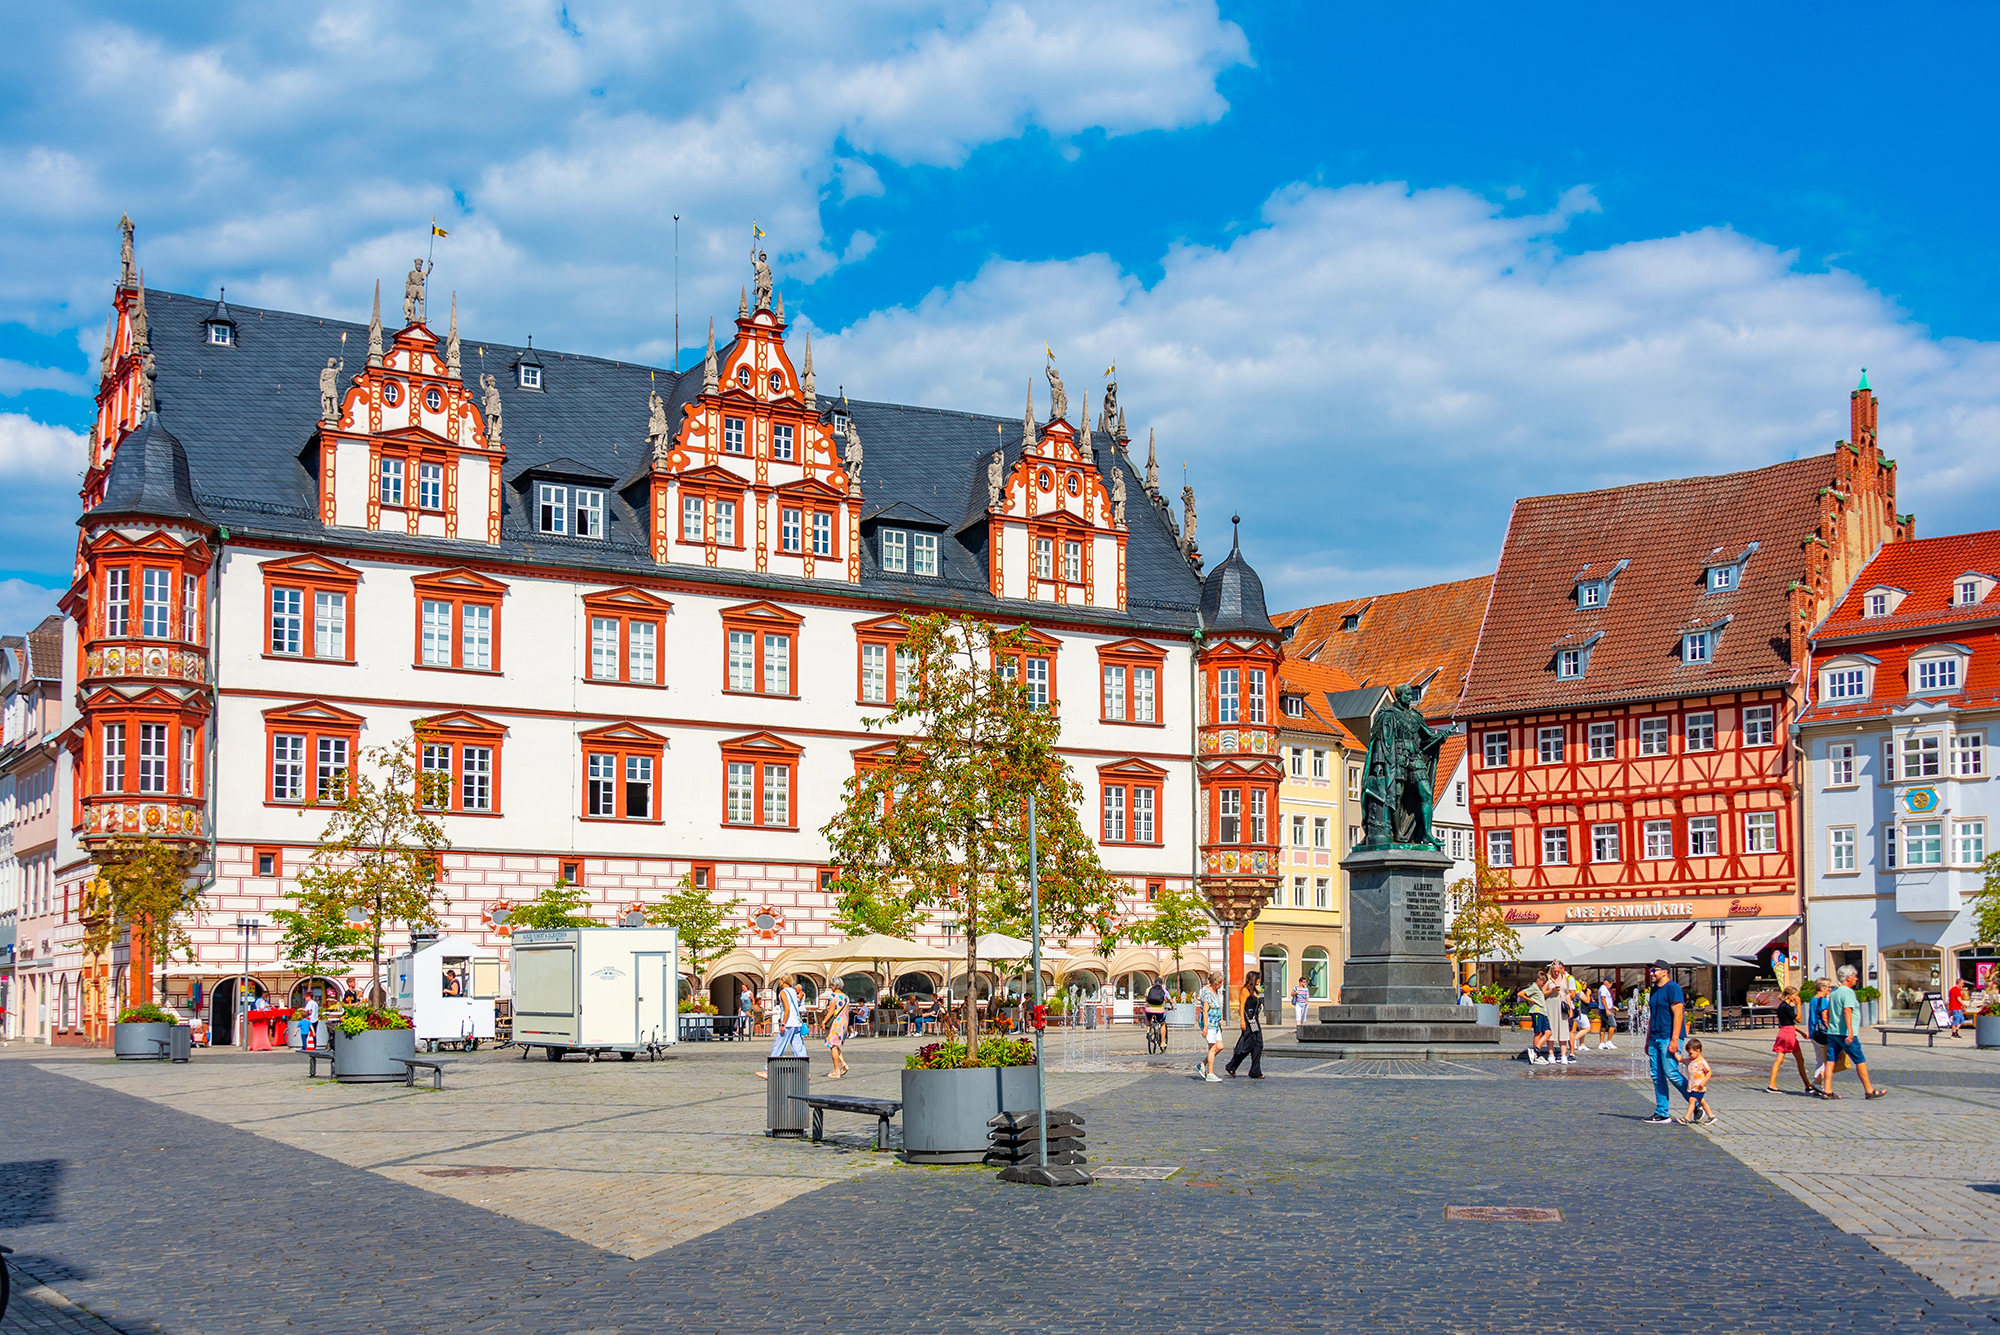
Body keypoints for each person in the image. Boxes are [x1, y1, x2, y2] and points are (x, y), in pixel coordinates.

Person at [1820, 965, 1888, 1100]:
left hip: (1833, 1032)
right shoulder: (1848, 992)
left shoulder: (1834, 992)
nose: (1856, 979)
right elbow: (1847, 1011)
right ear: (1848, 977)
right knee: (1859, 1060)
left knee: (1831, 1060)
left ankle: (1827, 1089)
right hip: (1844, 1033)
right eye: (1855, 976)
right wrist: (1850, 1031)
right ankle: (1869, 1090)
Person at [1642, 961, 1692, 1125]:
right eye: (1651, 970)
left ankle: (1696, 1101)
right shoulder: (1654, 990)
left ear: (1665, 972)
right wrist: (1648, 1040)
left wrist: (1675, 1039)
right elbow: (1652, 1016)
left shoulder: (1673, 988)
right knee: (1657, 1075)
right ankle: (1662, 1113)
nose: (1651, 973)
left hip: (1668, 1037)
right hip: (1655, 1037)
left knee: (1671, 1072)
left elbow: (1678, 1015)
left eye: (1654, 970)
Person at [756, 974, 807, 1079]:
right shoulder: (793, 992)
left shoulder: (783, 992)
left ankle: (768, 1070)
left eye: (780, 980)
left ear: (784, 981)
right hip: (796, 1023)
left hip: (788, 1024)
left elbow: (787, 1009)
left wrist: (783, 1023)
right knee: (799, 1048)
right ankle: (805, 1071)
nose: (779, 982)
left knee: (778, 1046)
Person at [1765, 986, 1811, 1094]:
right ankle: (1807, 1085)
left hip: (1783, 1032)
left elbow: (1789, 1023)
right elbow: (1798, 1019)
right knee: (1800, 1060)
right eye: (1796, 995)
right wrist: (1798, 1006)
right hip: (1789, 1035)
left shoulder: (1782, 1006)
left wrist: (1802, 1033)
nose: (1797, 998)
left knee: (1779, 1060)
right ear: (1790, 996)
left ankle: (1772, 1084)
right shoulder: (1787, 1007)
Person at [1225, 974, 1265, 1078]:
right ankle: (1231, 1066)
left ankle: (1255, 1071)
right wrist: (1242, 1020)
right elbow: (1241, 1006)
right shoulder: (1245, 990)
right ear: (1253, 979)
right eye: (1258, 978)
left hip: (1254, 1021)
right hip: (1248, 1021)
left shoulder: (1255, 991)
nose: (1259, 980)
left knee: (1258, 1045)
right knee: (1246, 1045)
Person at [1195, 972, 1225, 1082]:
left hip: (1216, 1024)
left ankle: (1202, 1064)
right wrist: (1206, 1027)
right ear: (1215, 982)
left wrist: (1220, 1020)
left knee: (1220, 1046)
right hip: (1209, 1023)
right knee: (1212, 1048)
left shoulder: (1216, 992)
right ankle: (1210, 1074)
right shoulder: (1207, 993)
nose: (1221, 984)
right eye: (1220, 982)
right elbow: (1205, 1011)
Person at [1805, 977, 1834, 1090]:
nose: (1830, 989)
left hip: (1814, 1032)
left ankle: (1817, 1085)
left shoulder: (1813, 999)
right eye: (1828, 987)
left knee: (1820, 1060)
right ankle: (1817, 1083)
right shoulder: (1824, 1001)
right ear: (1822, 988)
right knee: (1828, 1060)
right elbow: (1825, 1017)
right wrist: (1830, 1029)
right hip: (1822, 1033)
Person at [1522, 970, 1553, 1064]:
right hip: (1537, 1011)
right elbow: (1520, 993)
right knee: (1538, 1033)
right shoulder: (1534, 987)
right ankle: (1536, 1055)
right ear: (1538, 980)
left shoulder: (1540, 988)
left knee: (1548, 1032)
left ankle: (1535, 1051)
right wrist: (1530, 1000)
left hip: (1543, 1012)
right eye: (1543, 982)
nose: (1543, 984)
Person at [823, 981, 851, 1079]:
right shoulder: (846, 997)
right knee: (836, 1044)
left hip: (834, 1023)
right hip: (843, 1022)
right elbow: (847, 1013)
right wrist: (847, 1028)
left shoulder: (832, 996)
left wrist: (824, 1021)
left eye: (831, 985)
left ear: (834, 985)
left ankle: (836, 1069)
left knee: (833, 1046)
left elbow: (831, 1011)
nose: (830, 987)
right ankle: (843, 1064)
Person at [1684, 1039, 1715, 1124]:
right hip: (1694, 1086)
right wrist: (1674, 1053)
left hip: (1699, 1087)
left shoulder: (1701, 1061)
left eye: (1691, 1053)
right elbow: (1680, 1059)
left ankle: (1686, 1118)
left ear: (1698, 1051)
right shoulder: (1690, 1060)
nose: (1689, 1055)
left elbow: (1709, 1072)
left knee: (1692, 1100)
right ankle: (1711, 1116)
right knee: (1702, 1101)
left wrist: (1703, 1082)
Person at [1144, 977, 1170, 1049]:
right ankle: (1162, 1042)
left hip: (1149, 1010)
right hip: (1159, 1011)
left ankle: (1148, 1030)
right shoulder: (1164, 990)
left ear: (1154, 983)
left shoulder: (1148, 989)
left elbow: (1146, 998)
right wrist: (1172, 1006)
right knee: (1162, 1024)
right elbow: (1170, 1000)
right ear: (1162, 984)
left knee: (1148, 1018)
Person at [1596, 978, 1618, 1050]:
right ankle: (1609, 1041)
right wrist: (1607, 1009)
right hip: (1605, 1010)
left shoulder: (1604, 989)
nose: (1611, 985)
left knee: (1603, 1026)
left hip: (1603, 1009)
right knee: (1613, 1025)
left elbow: (1607, 1000)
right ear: (1605, 982)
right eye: (1610, 983)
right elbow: (1603, 999)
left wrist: (1612, 1006)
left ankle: (1602, 1043)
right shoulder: (1603, 989)